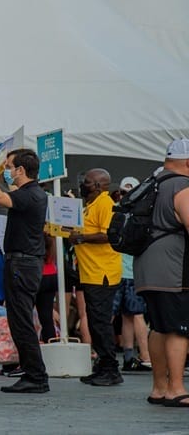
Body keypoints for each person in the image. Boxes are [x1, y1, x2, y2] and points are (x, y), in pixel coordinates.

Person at [0, 148, 49, 393]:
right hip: (22, 262)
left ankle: (36, 376)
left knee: (21, 320)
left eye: (9, 166)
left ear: (21, 170)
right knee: (19, 319)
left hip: (23, 264)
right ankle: (32, 372)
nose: (7, 171)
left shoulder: (31, 194)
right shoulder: (30, 193)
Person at [133, 139, 189, 407]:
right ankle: (176, 389)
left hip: (146, 267)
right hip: (173, 269)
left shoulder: (151, 183)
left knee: (159, 327)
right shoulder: (181, 186)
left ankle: (159, 387)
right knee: (179, 329)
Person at [69, 168, 124, 386]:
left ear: (100, 186)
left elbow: (108, 234)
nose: (84, 184)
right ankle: (102, 365)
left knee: (101, 323)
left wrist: (81, 238)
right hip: (90, 272)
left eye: (88, 182)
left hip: (102, 273)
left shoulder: (105, 204)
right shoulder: (90, 206)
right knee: (94, 321)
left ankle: (111, 369)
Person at [113, 177, 152, 372]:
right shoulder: (140, 213)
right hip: (129, 270)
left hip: (121, 270)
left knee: (131, 316)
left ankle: (138, 357)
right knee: (132, 315)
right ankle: (135, 357)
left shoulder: (121, 212)